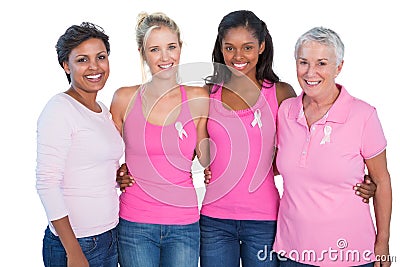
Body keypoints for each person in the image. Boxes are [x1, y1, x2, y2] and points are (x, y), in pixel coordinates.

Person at [200, 11, 377, 267]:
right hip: (214, 220)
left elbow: (300, 148)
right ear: (221, 48)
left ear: (261, 47)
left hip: (265, 220)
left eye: (247, 47)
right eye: (230, 48)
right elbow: (187, 148)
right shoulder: (207, 94)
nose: (238, 56)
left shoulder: (281, 93)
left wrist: (354, 179)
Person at [273, 27, 392, 267]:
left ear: (339, 67)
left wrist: (383, 243)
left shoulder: (363, 115)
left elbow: (381, 181)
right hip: (292, 252)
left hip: (350, 254)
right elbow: (277, 165)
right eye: (303, 62)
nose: (310, 72)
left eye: (322, 63)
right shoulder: (286, 111)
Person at [110, 12, 209, 267]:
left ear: (180, 48)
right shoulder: (124, 99)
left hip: (184, 225)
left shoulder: (199, 98)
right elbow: (104, 153)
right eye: (155, 50)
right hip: (135, 225)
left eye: (171, 47)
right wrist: (116, 173)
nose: (165, 58)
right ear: (143, 54)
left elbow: (206, 156)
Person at [36, 22, 124, 267]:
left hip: (109, 234)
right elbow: (46, 182)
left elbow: (88, 166)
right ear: (66, 65)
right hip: (77, 242)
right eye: (82, 60)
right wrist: (73, 250)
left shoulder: (101, 110)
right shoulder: (60, 109)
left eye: (101, 57)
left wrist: (118, 176)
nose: (95, 67)